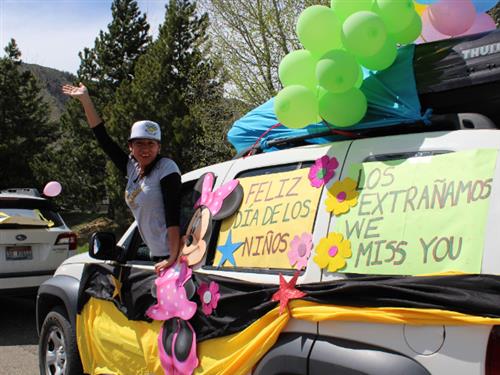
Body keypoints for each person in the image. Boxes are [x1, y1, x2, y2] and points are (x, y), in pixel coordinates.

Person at [62, 83, 181, 274]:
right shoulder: (132, 168)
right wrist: (86, 100)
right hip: (155, 254)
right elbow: (103, 138)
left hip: (171, 256)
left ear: (159, 147)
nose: (145, 149)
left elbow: (172, 215)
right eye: (139, 143)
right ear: (130, 147)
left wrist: (172, 258)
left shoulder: (166, 168)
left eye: (151, 144)